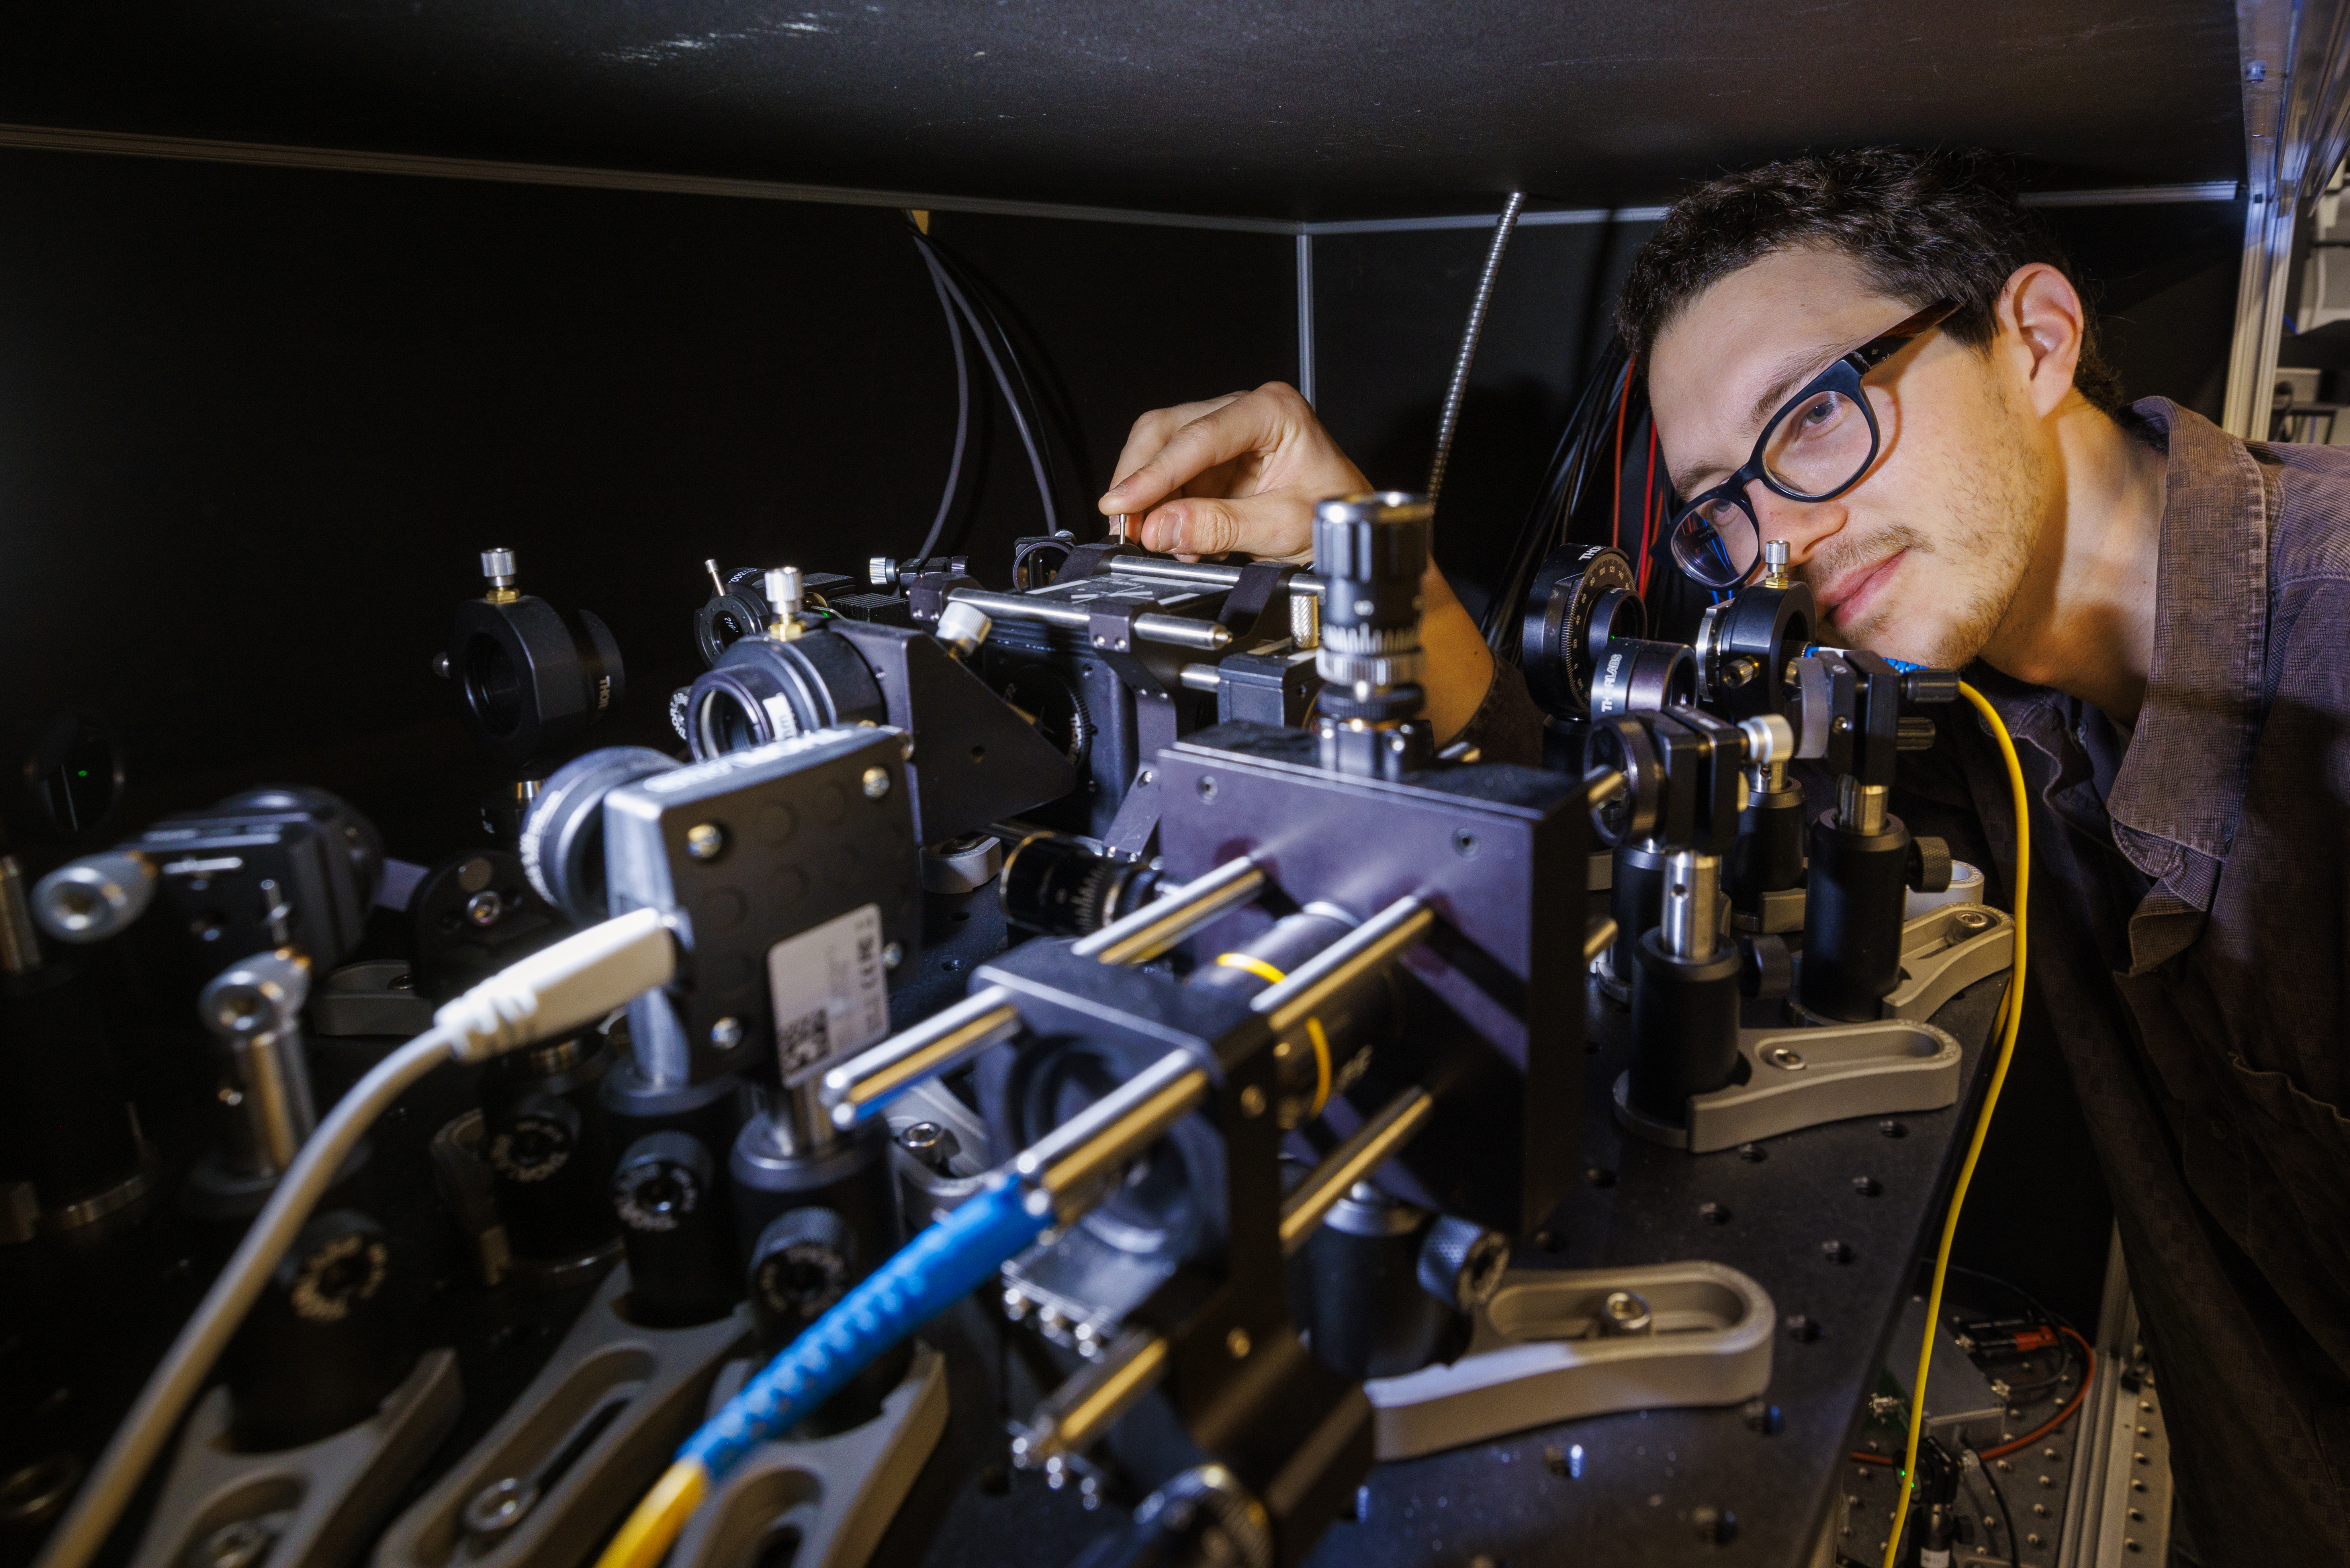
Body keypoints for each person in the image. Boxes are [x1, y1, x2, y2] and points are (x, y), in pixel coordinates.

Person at [1098, 147, 2350, 1566]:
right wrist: (1374, 573)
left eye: (1814, 416)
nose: (1782, 549)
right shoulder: (1991, 701)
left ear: (2037, 342)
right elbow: (1618, 824)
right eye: (1724, 509)